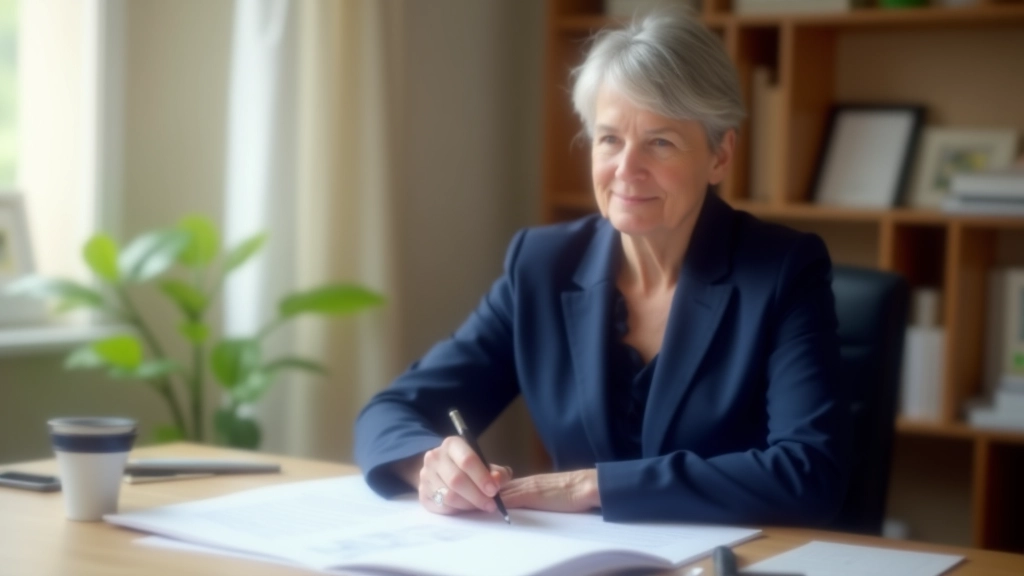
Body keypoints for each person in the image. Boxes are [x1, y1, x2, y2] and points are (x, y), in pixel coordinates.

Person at [354, 7, 849, 525]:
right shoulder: (541, 267)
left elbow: (810, 470)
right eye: (609, 139)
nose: (626, 169)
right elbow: (388, 413)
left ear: (720, 156)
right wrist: (428, 466)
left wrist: (592, 486)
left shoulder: (783, 271)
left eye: (660, 142)